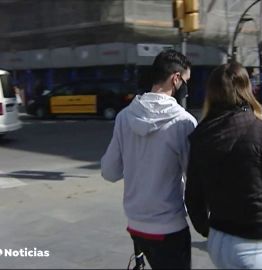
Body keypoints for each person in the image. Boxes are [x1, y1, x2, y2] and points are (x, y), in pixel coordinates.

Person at [185, 62, 262, 269]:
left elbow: (193, 196)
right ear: (246, 89)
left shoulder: (202, 134)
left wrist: (209, 230)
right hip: (255, 243)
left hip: (218, 240)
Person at [101, 49, 197, 269]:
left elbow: (109, 172)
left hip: (136, 226)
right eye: (186, 81)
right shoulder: (184, 122)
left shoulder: (125, 116)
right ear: (176, 78)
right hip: (169, 226)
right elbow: (194, 175)